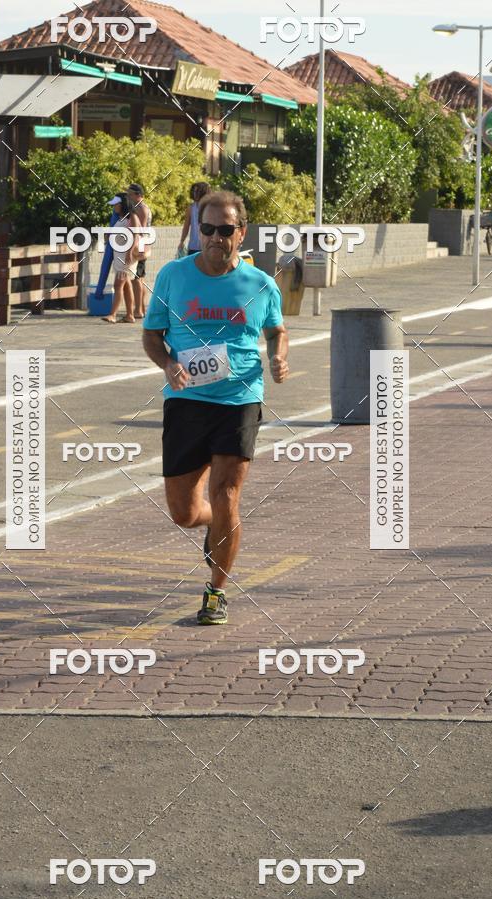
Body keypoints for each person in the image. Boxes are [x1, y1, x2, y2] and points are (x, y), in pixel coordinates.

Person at [142, 190, 289, 625]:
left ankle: (216, 590)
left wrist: (279, 354)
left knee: (226, 495)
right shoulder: (173, 276)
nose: (216, 238)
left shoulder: (260, 284)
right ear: (198, 231)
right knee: (184, 512)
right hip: (186, 399)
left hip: (239, 398)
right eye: (208, 229)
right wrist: (168, 363)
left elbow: (277, 330)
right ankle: (215, 529)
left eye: (226, 230)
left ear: (241, 233)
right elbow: (152, 335)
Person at [102, 194, 140, 324]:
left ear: (123, 204)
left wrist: (129, 252)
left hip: (126, 256)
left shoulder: (132, 217)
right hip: (119, 255)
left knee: (118, 284)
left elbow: (135, 236)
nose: (114, 206)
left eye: (116, 204)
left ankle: (113, 314)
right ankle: (130, 315)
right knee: (125, 285)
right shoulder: (119, 218)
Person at [127, 183, 152, 319]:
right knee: (140, 278)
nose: (128, 197)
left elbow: (140, 230)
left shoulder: (141, 208)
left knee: (137, 278)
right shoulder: (139, 207)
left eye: (130, 194)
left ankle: (139, 309)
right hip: (142, 245)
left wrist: (133, 247)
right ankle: (140, 308)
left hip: (140, 246)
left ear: (138, 195)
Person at [178, 182, 211, 256]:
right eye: (194, 191)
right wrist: (182, 241)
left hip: (207, 246)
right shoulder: (191, 208)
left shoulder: (210, 208)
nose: (195, 193)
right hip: (193, 247)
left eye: (197, 191)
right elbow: (186, 226)